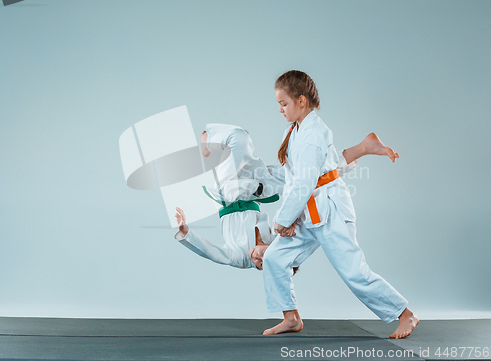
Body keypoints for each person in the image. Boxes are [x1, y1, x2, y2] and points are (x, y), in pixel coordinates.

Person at [262, 70, 418, 339]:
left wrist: (282, 221)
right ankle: (291, 318)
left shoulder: (313, 133)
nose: (280, 109)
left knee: (354, 273)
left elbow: (304, 183)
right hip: (307, 213)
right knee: (274, 257)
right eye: (278, 104)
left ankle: (406, 314)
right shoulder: (297, 129)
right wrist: (287, 219)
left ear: (301, 101)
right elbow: (302, 178)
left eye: (283, 103)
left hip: (330, 211)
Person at [174, 123, 399, 272]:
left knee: (240, 138)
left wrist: (187, 233)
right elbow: (297, 222)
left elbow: (213, 253)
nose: (257, 259)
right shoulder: (276, 243)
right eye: (264, 260)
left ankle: (209, 140)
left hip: (227, 190)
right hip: (257, 188)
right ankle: (365, 147)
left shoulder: (241, 259)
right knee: (312, 173)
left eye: (260, 265)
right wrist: (291, 225)